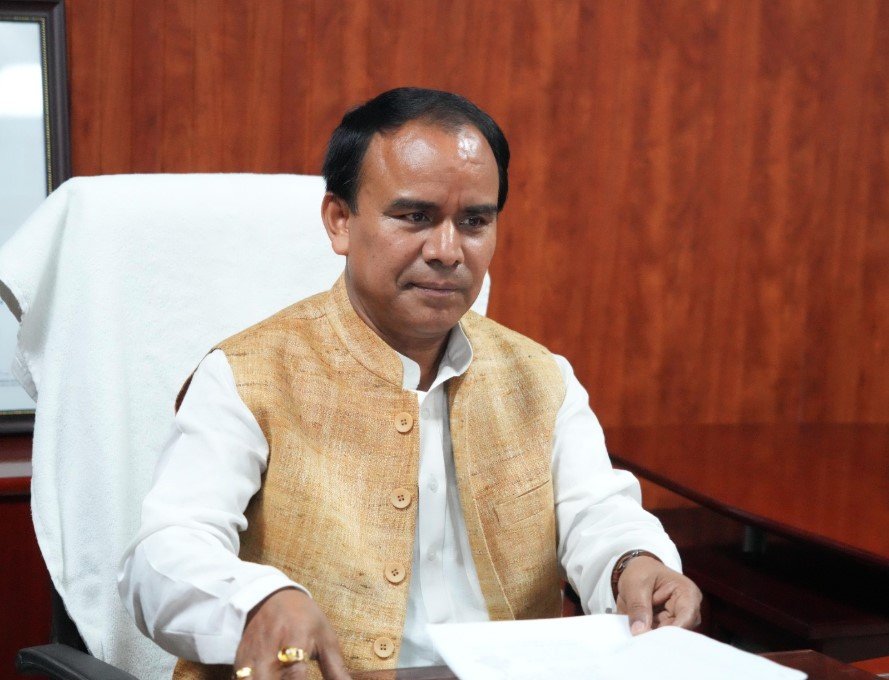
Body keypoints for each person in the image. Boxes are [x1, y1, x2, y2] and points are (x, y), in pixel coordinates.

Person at [119, 87, 701, 680]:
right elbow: (163, 554)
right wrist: (256, 603)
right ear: (340, 221)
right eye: (415, 217)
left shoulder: (541, 378)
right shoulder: (249, 374)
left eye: (474, 222)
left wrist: (634, 564)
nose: (448, 251)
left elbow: (597, 513)